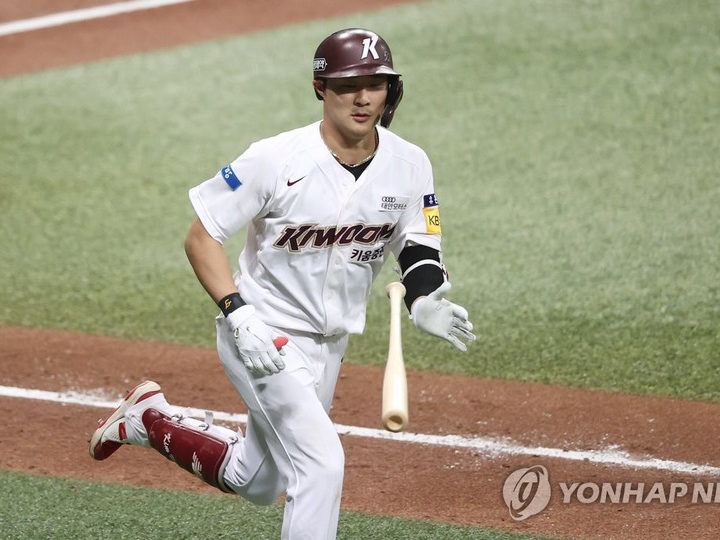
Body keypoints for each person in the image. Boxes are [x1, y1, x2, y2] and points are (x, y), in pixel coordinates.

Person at [88, 28, 475, 540]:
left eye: (375, 84)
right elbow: (202, 237)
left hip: (330, 346)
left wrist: (424, 300)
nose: (363, 98)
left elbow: (418, 243)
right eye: (348, 84)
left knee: (259, 479)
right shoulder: (274, 159)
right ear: (321, 88)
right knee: (321, 466)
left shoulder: (410, 164)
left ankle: (148, 419)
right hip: (261, 336)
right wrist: (238, 312)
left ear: (390, 90)